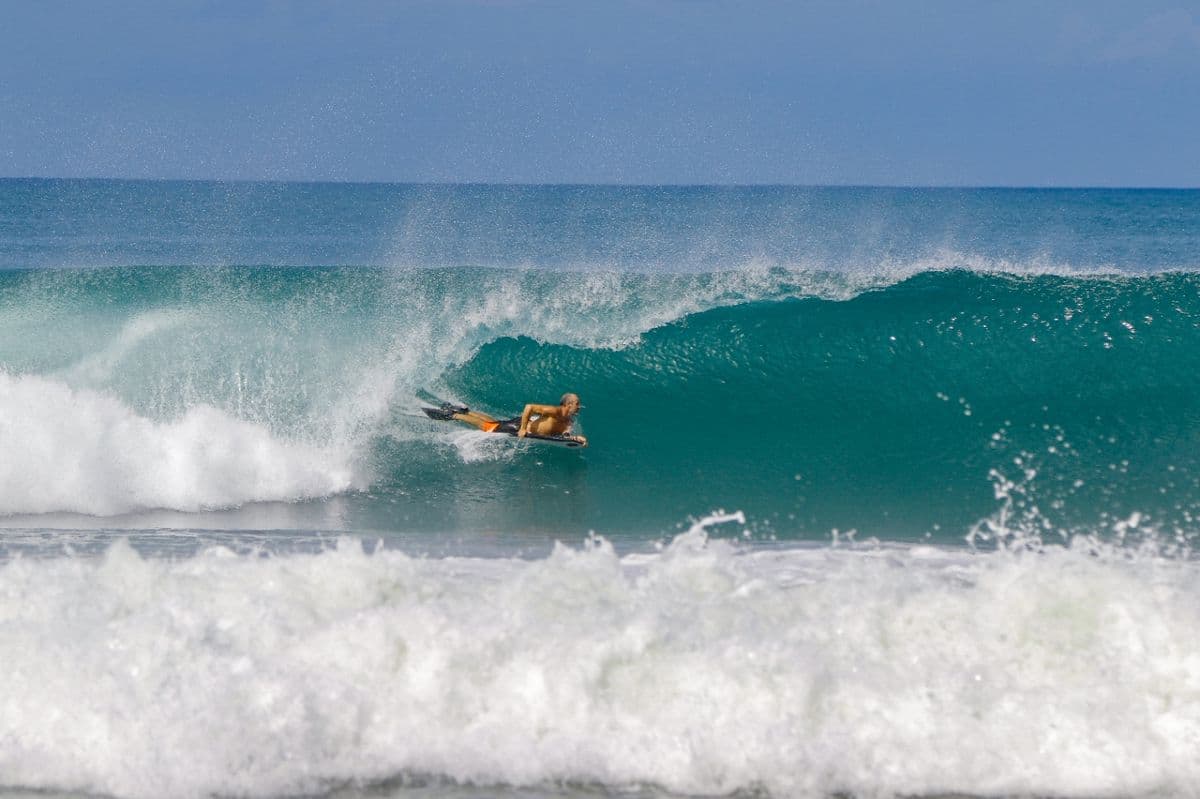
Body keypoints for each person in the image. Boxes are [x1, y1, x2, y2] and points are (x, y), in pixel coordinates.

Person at [436, 393, 587, 446]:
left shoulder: (569, 420)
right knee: (489, 427)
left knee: (495, 423)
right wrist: (522, 429)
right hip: (521, 427)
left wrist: (575, 438)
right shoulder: (554, 411)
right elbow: (529, 407)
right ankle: (452, 414)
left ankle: (465, 411)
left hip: (524, 424)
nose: (579, 407)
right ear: (568, 404)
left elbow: (565, 434)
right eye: (577, 404)